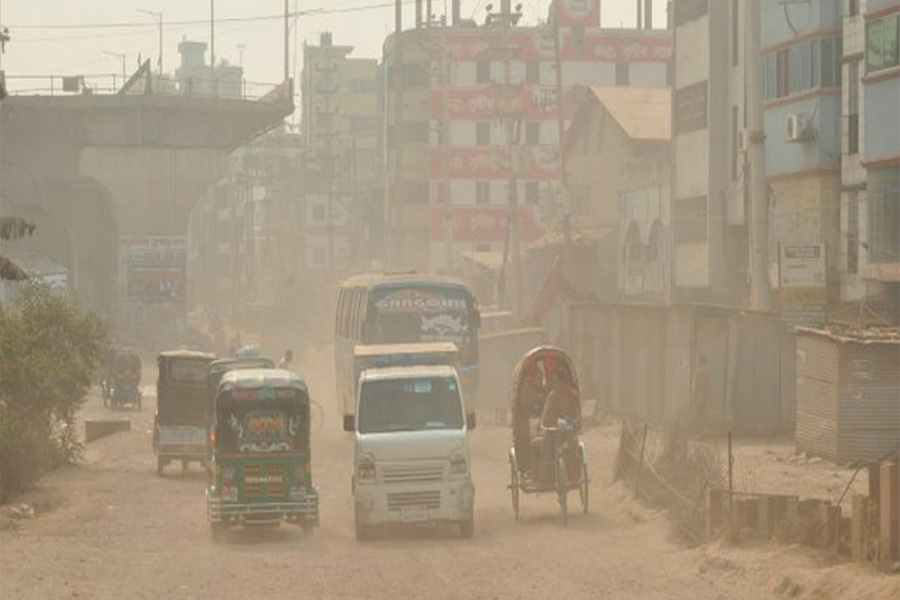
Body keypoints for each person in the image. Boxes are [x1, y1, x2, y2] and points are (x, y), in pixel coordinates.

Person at [691, 355, 710, 435]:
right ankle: (703, 432)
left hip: (699, 396)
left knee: (698, 415)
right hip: (704, 396)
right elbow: (707, 385)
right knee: (703, 414)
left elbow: (696, 386)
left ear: (699, 362)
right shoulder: (707, 372)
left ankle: (698, 432)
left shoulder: (698, 372)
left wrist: (694, 396)